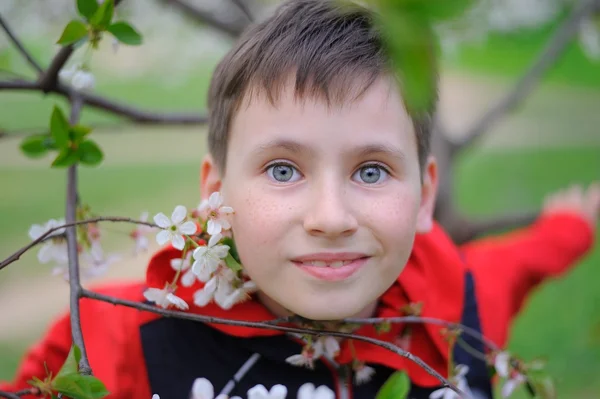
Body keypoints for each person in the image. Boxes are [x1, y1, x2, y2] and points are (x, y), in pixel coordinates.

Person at [2, 1, 598, 398]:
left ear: (425, 196)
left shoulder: (457, 313)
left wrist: (572, 227)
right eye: (283, 169)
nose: (331, 219)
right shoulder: (125, 333)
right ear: (215, 194)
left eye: (371, 171)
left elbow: (521, 263)